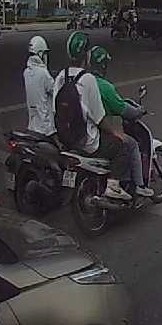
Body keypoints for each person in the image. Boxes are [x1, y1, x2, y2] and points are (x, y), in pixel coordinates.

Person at [53, 32, 132, 200]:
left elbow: (55, 109)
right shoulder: (88, 79)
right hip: (88, 141)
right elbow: (99, 118)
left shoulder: (60, 76)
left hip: (66, 139)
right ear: (87, 56)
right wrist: (116, 133)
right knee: (122, 146)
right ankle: (113, 186)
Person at [87, 46, 153, 198]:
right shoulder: (104, 86)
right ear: (103, 65)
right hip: (99, 133)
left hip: (83, 132)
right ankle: (139, 185)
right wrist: (139, 111)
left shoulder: (83, 82)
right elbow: (122, 109)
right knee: (131, 144)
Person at [22, 36, 55, 135]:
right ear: (40, 53)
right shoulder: (43, 73)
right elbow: (54, 90)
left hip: (32, 125)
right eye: (45, 53)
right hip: (45, 127)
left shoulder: (26, 72)